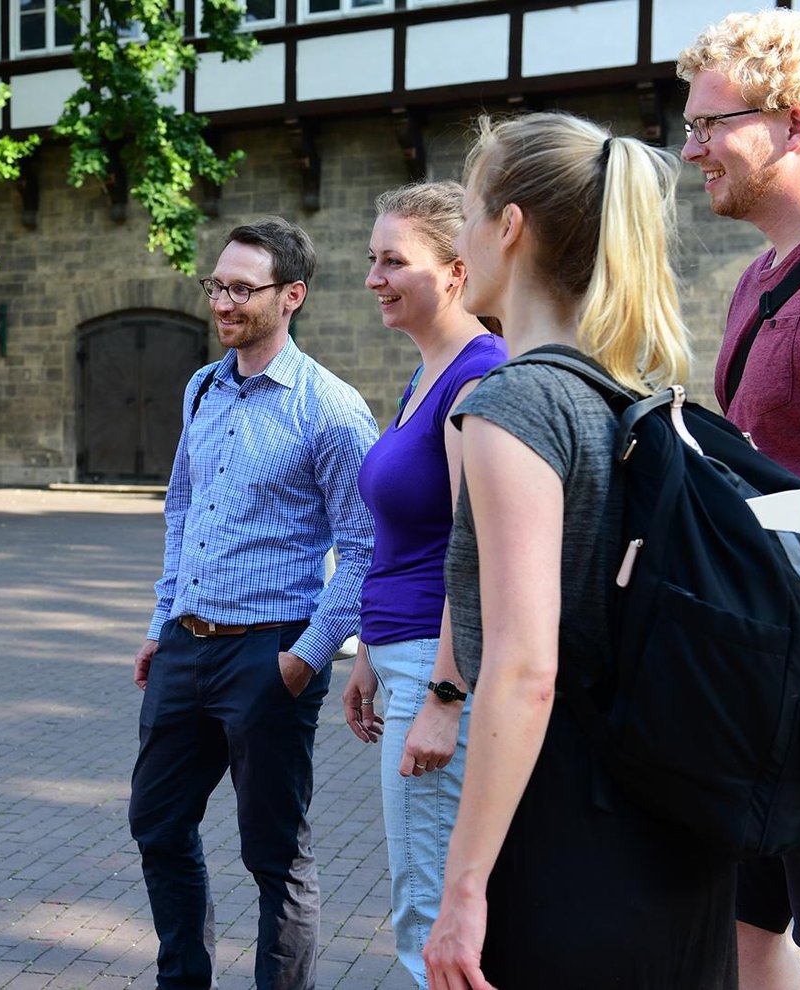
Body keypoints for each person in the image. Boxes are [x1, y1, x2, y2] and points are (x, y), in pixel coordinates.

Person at [421, 111, 737, 989]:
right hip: (675, 815)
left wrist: (465, 887)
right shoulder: (640, 392)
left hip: (570, 826)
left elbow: (526, 669)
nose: (461, 242)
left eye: (469, 214)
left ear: (510, 227)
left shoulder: (513, 406)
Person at [129, 215, 378, 990]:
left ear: (291, 296)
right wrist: (161, 622)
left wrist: (305, 659)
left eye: (242, 289)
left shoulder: (330, 409)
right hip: (185, 646)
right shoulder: (201, 387)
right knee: (157, 824)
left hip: (270, 654)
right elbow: (182, 510)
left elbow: (365, 549)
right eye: (217, 285)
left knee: (274, 856)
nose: (222, 302)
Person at [678, 11, 800, 989]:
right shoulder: (758, 278)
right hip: (771, 677)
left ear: (794, 124)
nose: (691, 148)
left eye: (711, 124)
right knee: (748, 936)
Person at [340, 182, 505, 987]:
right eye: (372, 259)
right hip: (402, 658)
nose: (373, 278)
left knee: (431, 915)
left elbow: (477, 556)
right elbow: (408, 538)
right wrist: (368, 654)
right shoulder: (426, 372)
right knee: (425, 901)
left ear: (455, 271)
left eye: (394, 261)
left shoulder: (478, 378)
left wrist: (444, 695)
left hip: (440, 672)